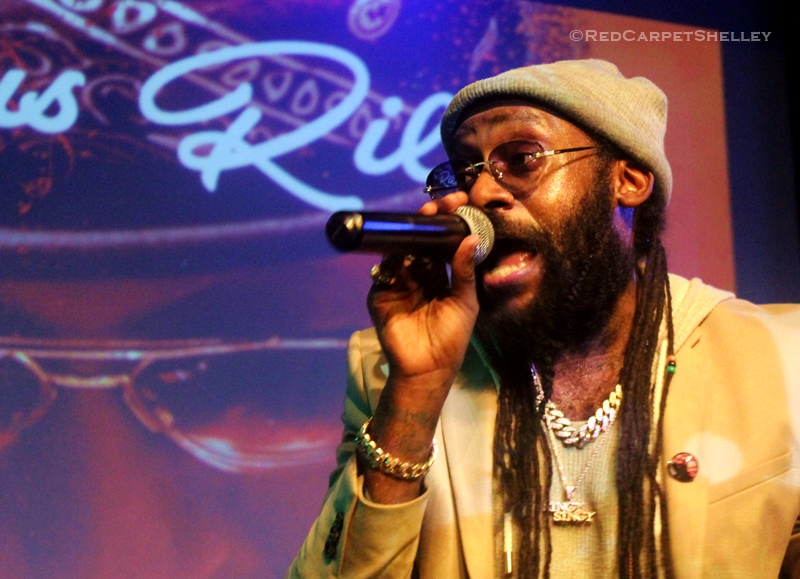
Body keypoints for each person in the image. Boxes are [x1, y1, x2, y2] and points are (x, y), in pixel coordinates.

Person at [287, 59, 800, 578]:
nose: (480, 195)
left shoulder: (781, 357)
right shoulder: (389, 374)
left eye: (522, 158)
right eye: (465, 173)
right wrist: (416, 392)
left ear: (628, 180)